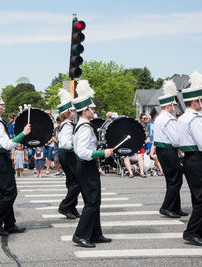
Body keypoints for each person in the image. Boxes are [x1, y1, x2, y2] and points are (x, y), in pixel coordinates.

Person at [0, 81, 31, 236]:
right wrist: (23, 133)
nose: (4, 106)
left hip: (2, 159)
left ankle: (10, 224)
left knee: (6, 193)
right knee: (10, 192)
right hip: (0, 158)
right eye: (2, 104)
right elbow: (7, 144)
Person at [72, 80, 113, 248]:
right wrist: (102, 153)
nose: (94, 111)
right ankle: (80, 235)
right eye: (92, 108)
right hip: (85, 165)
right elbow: (82, 152)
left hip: (86, 166)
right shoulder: (83, 128)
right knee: (92, 202)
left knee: (95, 200)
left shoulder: (85, 125)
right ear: (85, 110)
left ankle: (95, 233)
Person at [177, 71, 202, 246]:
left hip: (188, 159)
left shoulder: (182, 118)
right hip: (196, 158)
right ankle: (192, 231)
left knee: (199, 197)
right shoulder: (195, 119)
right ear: (194, 101)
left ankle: (201, 231)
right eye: (201, 101)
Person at [154, 80, 186, 219]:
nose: (175, 107)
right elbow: (175, 139)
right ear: (168, 105)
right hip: (168, 151)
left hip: (162, 151)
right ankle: (166, 207)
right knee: (176, 180)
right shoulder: (169, 119)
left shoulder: (160, 118)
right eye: (173, 104)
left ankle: (175, 207)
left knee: (171, 180)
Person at [56, 88, 81, 219]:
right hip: (67, 154)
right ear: (66, 113)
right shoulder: (67, 125)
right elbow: (65, 143)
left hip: (67, 155)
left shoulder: (67, 124)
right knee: (77, 182)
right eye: (71, 111)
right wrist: (77, 143)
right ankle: (65, 206)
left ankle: (72, 207)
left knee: (72, 182)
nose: (74, 112)